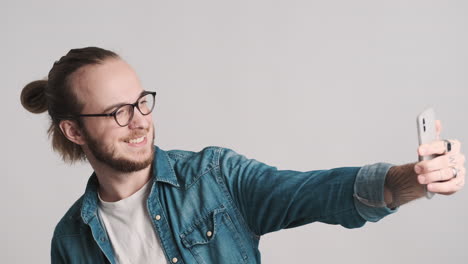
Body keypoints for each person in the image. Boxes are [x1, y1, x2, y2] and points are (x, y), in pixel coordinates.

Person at [20, 47, 465, 264]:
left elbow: (321, 192)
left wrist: (414, 179)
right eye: (118, 111)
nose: (139, 121)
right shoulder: (71, 239)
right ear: (74, 130)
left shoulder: (214, 177)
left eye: (140, 102)